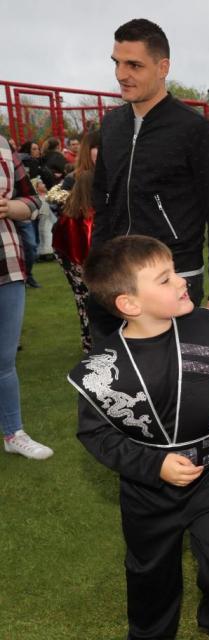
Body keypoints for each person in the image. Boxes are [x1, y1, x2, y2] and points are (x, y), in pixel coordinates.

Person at [69, 237, 209, 640]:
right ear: (130, 304)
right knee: (150, 575)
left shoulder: (205, 326)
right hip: (147, 492)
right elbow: (95, 434)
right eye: (165, 278)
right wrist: (156, 465)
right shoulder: (104, 368)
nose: (182, 281)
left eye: (176, 270)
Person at [91, 18, 209, 342]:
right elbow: (103, 203)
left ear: (162, 67)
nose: (121, 75)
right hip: (115, 280)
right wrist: (96, 271)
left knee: (171, 387)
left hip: (175, 278)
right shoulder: (112, 125)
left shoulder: (196, 131)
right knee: (109, 385)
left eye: (134, 65)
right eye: (117, 63)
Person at [0, 137, 54, 460]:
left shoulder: (4, 146)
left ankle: (13, 432)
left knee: (5, 362)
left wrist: (12, 208)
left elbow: (33, 201)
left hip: (7, 264)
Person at [53, 129, 101, 353]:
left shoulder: (109, 174)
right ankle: (92, 342)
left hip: (82, 248)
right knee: (87, 296)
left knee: (91, 297)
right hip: (74, 249)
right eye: (97, 147)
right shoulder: (77, 179)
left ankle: (92, 342)